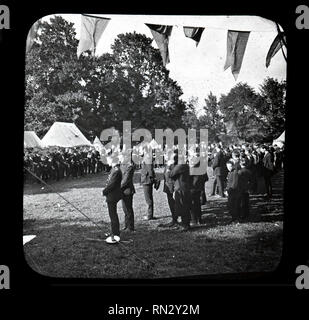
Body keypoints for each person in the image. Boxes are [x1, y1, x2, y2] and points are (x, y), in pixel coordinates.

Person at [102, 154, 122, 244]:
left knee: (113, 215)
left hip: (112, 195)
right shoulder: (114, 169)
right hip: (111, 194)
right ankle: (114, 232)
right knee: (112, 214)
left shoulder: (116, 170)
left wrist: (104, 191)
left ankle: (115, 233)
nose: (108, 162)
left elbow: (112, 184)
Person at [170, 156, 191, 231]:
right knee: (184, 206)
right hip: (185, 187)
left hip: (181, 188)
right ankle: (185, 223)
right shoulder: (185, 165)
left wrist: (171, 166)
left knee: (183, 206)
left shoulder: (180, 166)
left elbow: (171, 174)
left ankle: (185, 224)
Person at [159, 154, 178, 228]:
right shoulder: (168, 164)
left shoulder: (173, 165)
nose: (164, 155)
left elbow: (173, 176)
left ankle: (175, 219)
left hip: (172, 187)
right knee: (170, 203)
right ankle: (174, 218)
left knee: (173, 203)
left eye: (166, 154)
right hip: (168, 186)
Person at [120, 156, 136, 232]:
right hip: (122, 190)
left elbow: (125, 180)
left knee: (128, 209)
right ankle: (126, 225)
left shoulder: (129, 167)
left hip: (127, 190)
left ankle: (130, 227)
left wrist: (117, 187)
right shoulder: (122, 165)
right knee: (124, 209)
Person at [140, 153, 156, 220]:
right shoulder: (146, 158)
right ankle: (150, 214)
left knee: (148, 199)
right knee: (149, 198)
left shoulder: (147, 158)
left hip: (147, 181)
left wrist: (151, 178)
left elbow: (150, 171)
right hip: (146, 180)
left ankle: (149, 215)